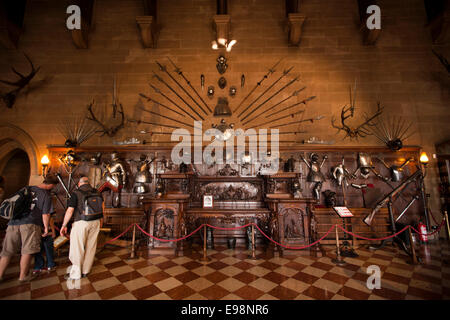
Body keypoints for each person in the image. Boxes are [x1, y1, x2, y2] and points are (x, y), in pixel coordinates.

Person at [0, 175, 59, 282]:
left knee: (7, 251)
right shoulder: (46, 195)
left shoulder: (26, 188)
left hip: (13, 222)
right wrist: (46, 228)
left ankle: (0, 275)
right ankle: (22, 276)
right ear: (51, 185)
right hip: (31, 224)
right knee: (27, 250)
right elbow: (45, 214)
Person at [60, 176, 103, 280]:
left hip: (81, 222)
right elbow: (102, 208)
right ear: (88, 183)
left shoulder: (76, 193)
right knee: (91, 247)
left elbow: (70, 210)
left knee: (77, 248)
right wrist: (101, 222)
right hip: (96, 221)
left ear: (79, 184)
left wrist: (64, 225)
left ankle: (75, 273)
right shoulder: (97, 192)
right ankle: (85, 271)